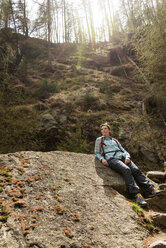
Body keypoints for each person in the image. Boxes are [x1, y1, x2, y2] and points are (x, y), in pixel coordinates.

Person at [94, 122, 164, 207]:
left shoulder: (115, 140)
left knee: (136, 170)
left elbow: (123, 150)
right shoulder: (99, 140)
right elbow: (97, 152)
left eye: (105, 128)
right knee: (126, 169)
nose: (103, 130)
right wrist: (102, 159)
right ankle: (137, 195)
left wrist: (127, 157)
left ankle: (151, 189)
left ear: (109, 130)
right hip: (112, 159)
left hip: (122, 157)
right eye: (102, 129)